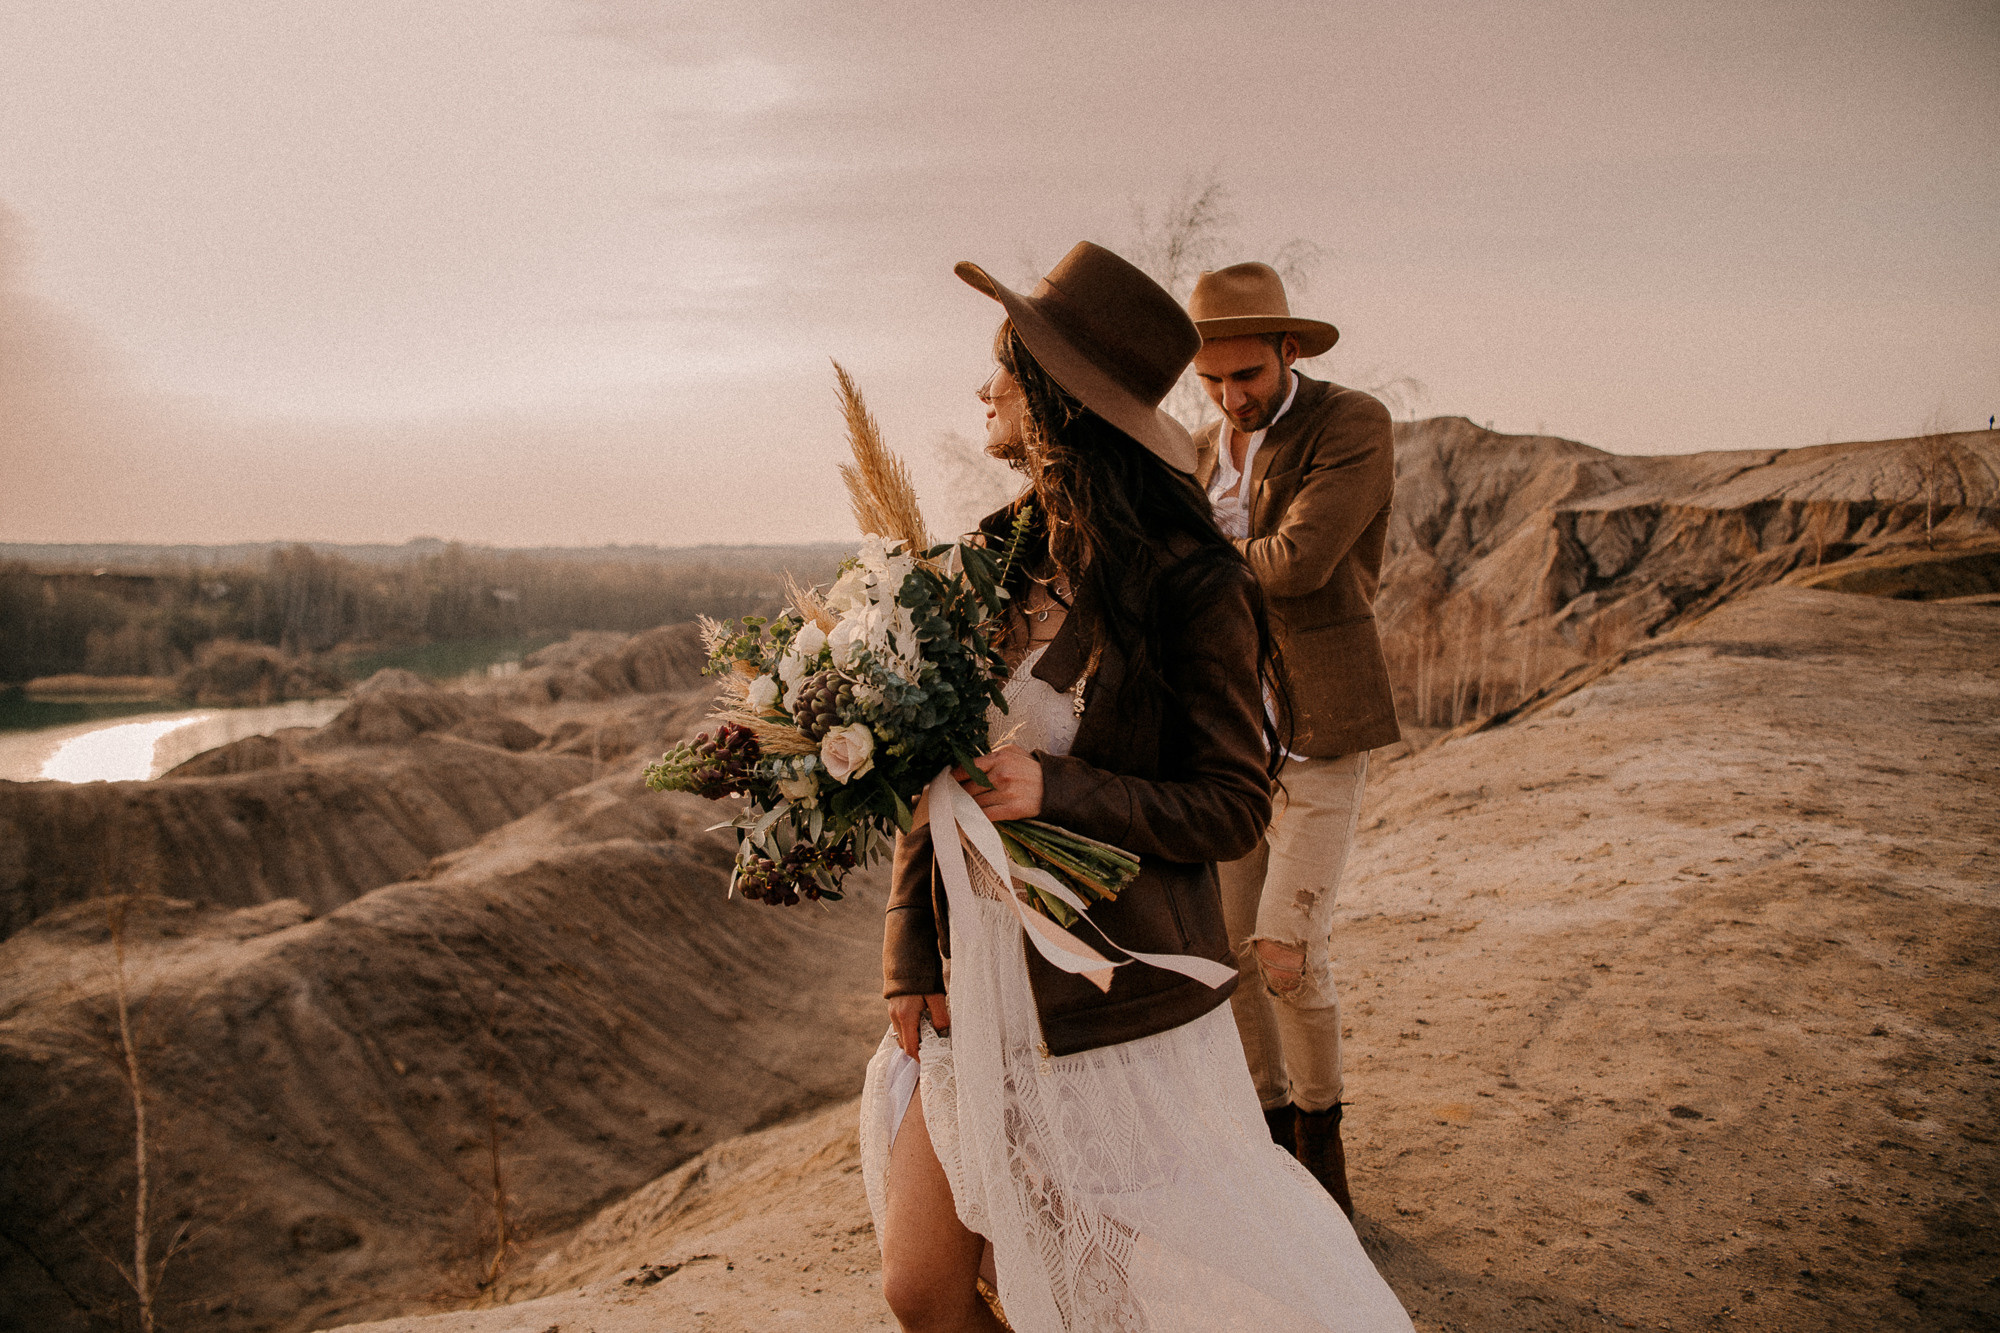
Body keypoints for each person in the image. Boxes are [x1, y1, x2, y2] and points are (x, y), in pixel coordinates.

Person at [857, 241, 1413, 1333]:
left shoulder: (1193, 581)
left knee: (1081, 1296)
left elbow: (1231, 803)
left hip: (1107, 1008)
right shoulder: (993, 559)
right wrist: (905, 951)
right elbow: (935, 768)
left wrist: (1059, 789)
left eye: (1003, 368)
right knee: (921, 1287)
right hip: (972, 986)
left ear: (1057, 396)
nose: (984, 390)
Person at [1185, 262, 1403, 1218]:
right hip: (1227, 742)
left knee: (1286, 953)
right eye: (1214, 381)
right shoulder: (1200, 450)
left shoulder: (1352, 423)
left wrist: (1183, 563)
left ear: (1290, 350)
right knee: (1233, 954)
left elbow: (1304, 561)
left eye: (1249, 376)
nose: (1234, 398)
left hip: (1319, 730)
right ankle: (1271, 1146)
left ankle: (1324, 1147)